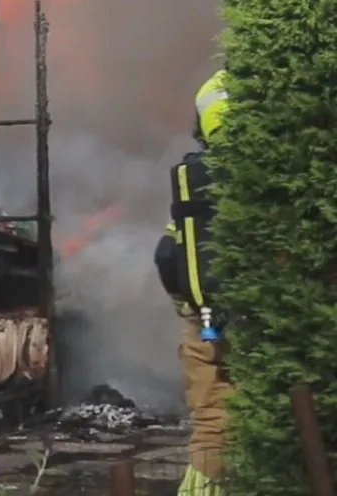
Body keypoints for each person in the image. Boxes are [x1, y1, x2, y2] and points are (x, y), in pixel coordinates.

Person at [154, 68, 231, 496]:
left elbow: (167, 255)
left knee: (210, 426)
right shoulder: (273, 177)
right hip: (257, 323)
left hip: (201, 322)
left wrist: (189, 305)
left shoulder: (194, 181)